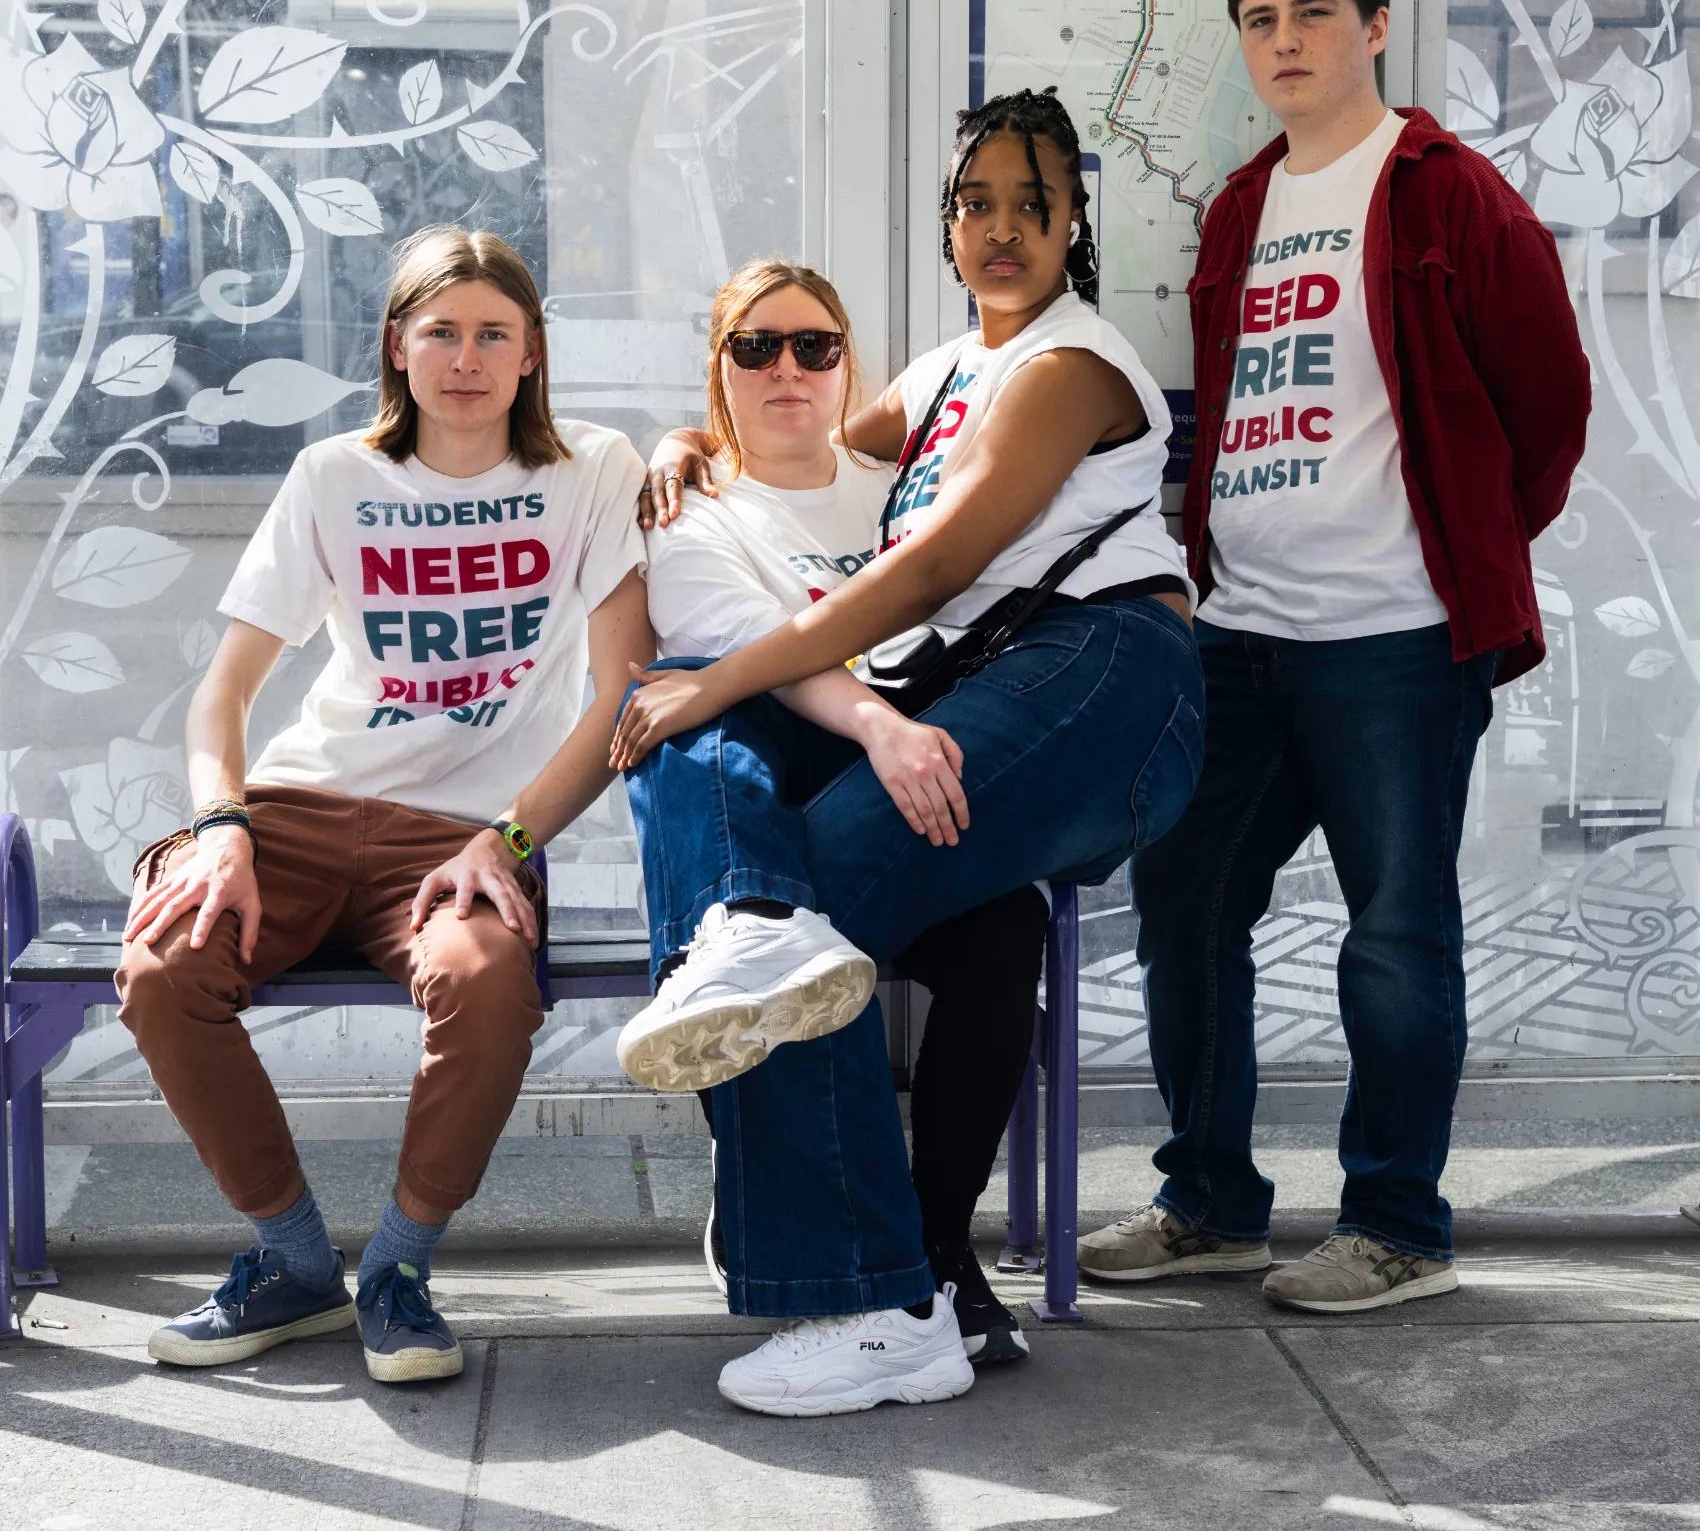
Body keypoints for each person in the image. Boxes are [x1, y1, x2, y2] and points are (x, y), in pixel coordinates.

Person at [594, 87, 1204, 1416]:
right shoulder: (941, 377)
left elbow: (936, 563)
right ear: (946, 221)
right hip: (1013, 690)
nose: (1000, 229)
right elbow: (796, 442)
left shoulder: (1066, 368)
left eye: (1031, 204)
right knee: (814, 928)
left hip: (1108, 673)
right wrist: (689, 437)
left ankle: (869, 1296)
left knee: (798, 911)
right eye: (974, 202)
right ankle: (901, 1279)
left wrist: (718, 686)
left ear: (1073, 220)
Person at [1077, 0, 1590, 1311]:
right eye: (1259, 18)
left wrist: (1456, 554)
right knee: (1184, 910)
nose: (1285, 38)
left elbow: (1548, 408)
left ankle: (1398, 1226)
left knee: (1395, 931)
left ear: (1374, 28)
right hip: (1242, 634)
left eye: (1313, 11)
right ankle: (1212, 1206)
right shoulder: (1244, 205)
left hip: (1398, 643)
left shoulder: (1449, 196)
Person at [117, 227, 651, 1381]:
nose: (466, 357)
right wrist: (223, 831)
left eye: (492, 333)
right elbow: (224, 693)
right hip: (300, 806)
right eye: (441, 330)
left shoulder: (593, 471)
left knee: (484, 980)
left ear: (531, 354)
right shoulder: (335, 476)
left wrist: (508, 839)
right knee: (164, 967)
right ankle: (293, 1260)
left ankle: (399, 1267)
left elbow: (620, 696)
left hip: (462, 839)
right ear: (397, 349)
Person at [640, 255, 1048, 1365]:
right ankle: (780, 1198)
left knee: (1007, 928)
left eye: (813, 346)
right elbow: (749, 659)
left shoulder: (905, 488)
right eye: (754, 346)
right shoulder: (689, 507)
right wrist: (877, 724)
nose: (786, 368)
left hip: (905, 770)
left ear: (845, 366)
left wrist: (904, 734)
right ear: (715, 369)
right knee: (732, 853)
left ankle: (933, 1243)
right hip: (786, 785)